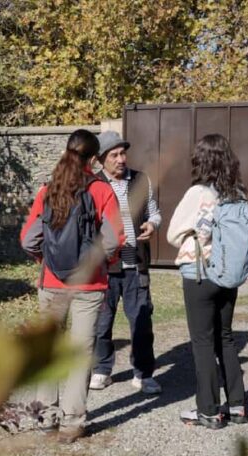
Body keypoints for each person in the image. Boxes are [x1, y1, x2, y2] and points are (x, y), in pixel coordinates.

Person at [20, 129, 125, 443]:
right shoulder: (101, 191)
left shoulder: (48, 190)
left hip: (51, 285)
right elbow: (114, 239)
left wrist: (47, 262)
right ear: (93, 158)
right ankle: (72, 423)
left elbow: (28, 240)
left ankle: (43, 417)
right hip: (88, 287)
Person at [167, 134, 248, 429]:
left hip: (199, 273)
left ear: (201, 160)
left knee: (202, 342)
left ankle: (209, 411)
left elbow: (173, 234)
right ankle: (238, 406)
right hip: (229, 274)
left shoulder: (198, 193)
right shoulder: (238, 193)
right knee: (224, 337)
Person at [90, 131, 162, 394]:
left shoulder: (141, 180)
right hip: (104, 268)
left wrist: (152, 224)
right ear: (101, 160)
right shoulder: (93, 184)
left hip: (137, 264)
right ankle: (101, 370)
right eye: (114, 155)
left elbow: (154, 211)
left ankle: (143, 374)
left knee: (142, 322)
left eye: (123, 153)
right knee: (101, 322)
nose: (121, 159)